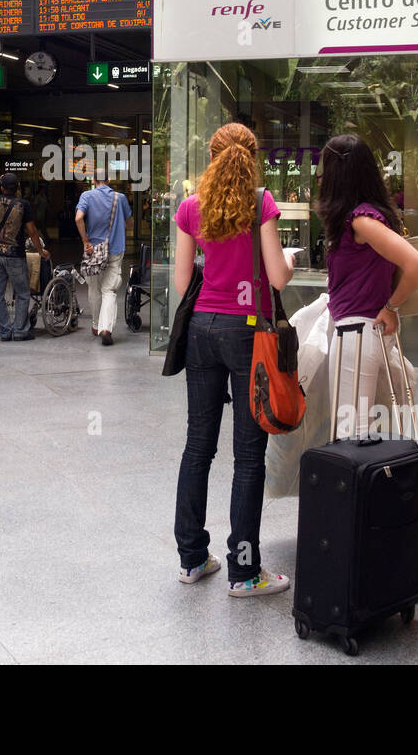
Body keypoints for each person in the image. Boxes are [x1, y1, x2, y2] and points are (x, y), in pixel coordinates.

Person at [172, 123, 295, 596]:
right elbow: (279, 277)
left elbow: (184, 284)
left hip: (201, 329)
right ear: (252, 155)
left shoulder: (189, 208)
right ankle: (244, 572)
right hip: (247, 334)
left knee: (197, 446)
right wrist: (282, 263)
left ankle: (191, 559)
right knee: (249, 454)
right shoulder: (260, 202)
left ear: (211, 154)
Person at [315, 134, 418, 439]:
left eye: (324, 168)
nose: (320, 176)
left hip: (357, 331)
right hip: (366, 332)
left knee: (351, 435)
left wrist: (391, 307)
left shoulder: (361, 221)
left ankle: (359, 488)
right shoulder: (368, 217)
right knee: (366, 433)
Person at [0, 172, 50, 342]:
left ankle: (4, 332)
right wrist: (40, 250)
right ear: (18, 187)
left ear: (2, 187)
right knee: (23, 293)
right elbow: (32, 230)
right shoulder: (23, 204)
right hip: (15, 255)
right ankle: (20, 331)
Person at [76, 171, 132, 346]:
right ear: (109, 180)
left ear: (93, 181)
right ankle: (105, 328)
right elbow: (129, 223)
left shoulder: (87, 195)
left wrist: (85, 240)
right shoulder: (120, 198)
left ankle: (95, 325)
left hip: (94, 250)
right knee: (109, 290)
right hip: (114, 248)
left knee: (94, 288)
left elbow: (78, 218)